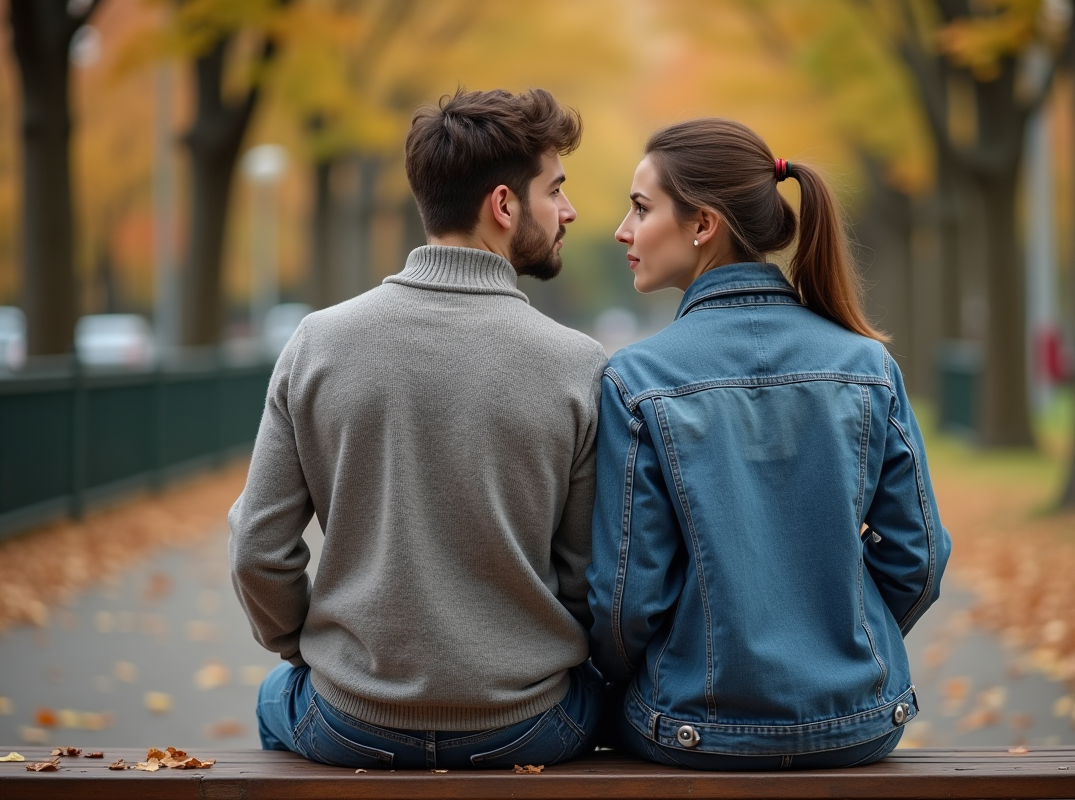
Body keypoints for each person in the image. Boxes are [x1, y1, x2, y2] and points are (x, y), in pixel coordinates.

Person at [229, 87, 610, 770]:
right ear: (503, 205)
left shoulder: (318, 343)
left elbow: (257, 550)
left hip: (352, 719)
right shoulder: (577, 365)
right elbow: (589, 577)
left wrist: (310, 649)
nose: (569, 210)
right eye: (555, 190)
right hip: (525, 723)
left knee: (273, 697)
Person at [587, 118, 951, 771]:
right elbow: (918, 560)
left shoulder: (636, 379)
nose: (623, 229)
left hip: (697, 729)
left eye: (640, 208)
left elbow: (626, 603)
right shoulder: (868, 365)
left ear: (703, 224)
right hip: (860, 724)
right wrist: (836, 644)